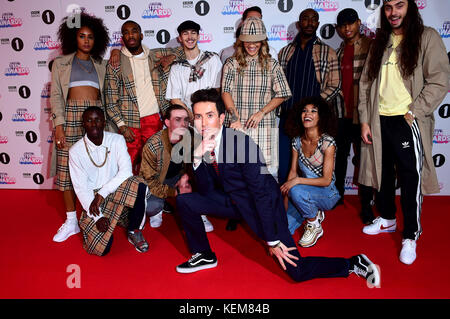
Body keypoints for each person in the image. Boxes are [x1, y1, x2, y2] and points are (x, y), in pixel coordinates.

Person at [174, 88, 380, 287]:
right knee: (185, 201)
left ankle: (353, 263)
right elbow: (207, 192)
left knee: (296, 270)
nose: (203, 123)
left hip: (263, 204)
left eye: (209, 115)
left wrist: (272, 240)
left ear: (221, 118)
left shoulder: (241, 145)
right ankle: (203, 254)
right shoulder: (200, 143)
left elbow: (261, 194)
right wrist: (197, 158)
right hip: (233, 201)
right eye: (198, 117)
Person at [359, 0, 450, 265]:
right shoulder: (380, 41)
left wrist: (415, 111)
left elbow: (439, 79)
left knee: (411, 179)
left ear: (410, 7)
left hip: (408, 121)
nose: (393, 12)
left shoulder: (427, 37)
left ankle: (410, 234)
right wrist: (365, 119)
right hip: (379, 120)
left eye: (399, 5)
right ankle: (387, 219)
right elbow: (366, 83)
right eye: (388, 7)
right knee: (383, 174)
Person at [51, 12, 111, 243]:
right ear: (73, 38)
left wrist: (115, 52)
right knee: (66, 170)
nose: (86, 41)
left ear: (97, 40)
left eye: (90, 37)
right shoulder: (61, 63)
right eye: (81, 36)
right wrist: (58, 125)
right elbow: (56, 95)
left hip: (96, 116)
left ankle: (96, 213)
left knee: (96, 168)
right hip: (70, 116)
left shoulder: (101, 64)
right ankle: (71, 221)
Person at [105, 20, 184, 175]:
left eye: (133, 31)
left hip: (153, 119)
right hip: (129, 122)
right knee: (126, 166)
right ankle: (131, 197)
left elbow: (183, 51)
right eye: (126, 33)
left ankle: (152, 197)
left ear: (141, 35)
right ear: (122, 38)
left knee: (153, 164)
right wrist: (121, 125)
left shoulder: (154, 55)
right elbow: (110, 100)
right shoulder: (116, 63)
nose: (130, 35)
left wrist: (172, 55)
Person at [69, 107, 150, 256]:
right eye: (89, 120)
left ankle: (134, 229)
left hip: (114, 189)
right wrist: (98, 217)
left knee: (139, 184)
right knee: (101, 249)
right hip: (92, 199)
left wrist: (102, 193)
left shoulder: (117, 140)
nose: (94, 124)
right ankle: (115, 218)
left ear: (104, 123)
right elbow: (81, 188)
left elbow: (126, 172)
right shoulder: (75, 151)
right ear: (83, 124)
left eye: (97, 120)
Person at [222, 17, 291, 178]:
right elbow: (225, 92)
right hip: (237, 125)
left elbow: (283, 93)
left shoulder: (272, 64)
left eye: (256, 41)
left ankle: (269, 203)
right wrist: (234, 117)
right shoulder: (231, 64)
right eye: (247, 41)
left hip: (264, 125)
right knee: (237, 173)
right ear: (241, 42)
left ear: (263, 42)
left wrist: (261, 112)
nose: (252, 45)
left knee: (266, 172)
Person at [278, 9, 341, 185]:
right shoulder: (285, 52)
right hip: (288, 115)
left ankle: (311, 205)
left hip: (314, 120)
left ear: (318, 24)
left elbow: (335, 85)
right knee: (284, 165)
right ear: (299, 24)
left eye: (314, 19)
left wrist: (314, 107)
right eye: (305, 19)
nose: (310, 23)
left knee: (311, 167)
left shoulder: (328, 52)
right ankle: (284, 206)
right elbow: (277, 85)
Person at [334, 8, 376, 224]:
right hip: (342, 114)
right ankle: (337, 197)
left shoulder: (371, 46)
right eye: (342, 25)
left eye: (350, 23)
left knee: (365, 160)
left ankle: (367, 204)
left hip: (364, 115)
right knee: (339, 158)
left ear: (359, 22)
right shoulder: (339, 51)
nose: (347, 28)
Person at [281, 97, 340, 247]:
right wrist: (285, 206)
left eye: (314, 111)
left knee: (296, 189)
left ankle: (313, 223)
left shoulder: (328, 143)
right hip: (304, 191)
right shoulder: (297, 141)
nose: (308, 113)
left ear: (321, 117)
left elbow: (326, 180)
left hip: (327, 193)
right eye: (304, 111)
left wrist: (297, 181)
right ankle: (312, 212)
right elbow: (293, 173)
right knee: (282, 230)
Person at [139, 105, 207, 231]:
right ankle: (159, 209)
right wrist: (174, 192)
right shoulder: (153, 145)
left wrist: (188, 177)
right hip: (158, 181)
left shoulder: (191, 135)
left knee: (204, 175)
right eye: (177, 119)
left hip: (179, 177)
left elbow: (202, 159)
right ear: (167, 122)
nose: (183, 124)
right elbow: (148, 180)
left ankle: (198, 211)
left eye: (186, 119)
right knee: (151, 207)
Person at [166, 20, 223, 112]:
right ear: (180, 38)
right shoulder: (176, 66)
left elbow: (218, 89)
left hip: (210, 113)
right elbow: (174, 98)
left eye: (193, 33)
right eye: (185, 34)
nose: (190, 37)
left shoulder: (212, 59)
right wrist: (191, 115)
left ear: (198, 36)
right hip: (188, 116)